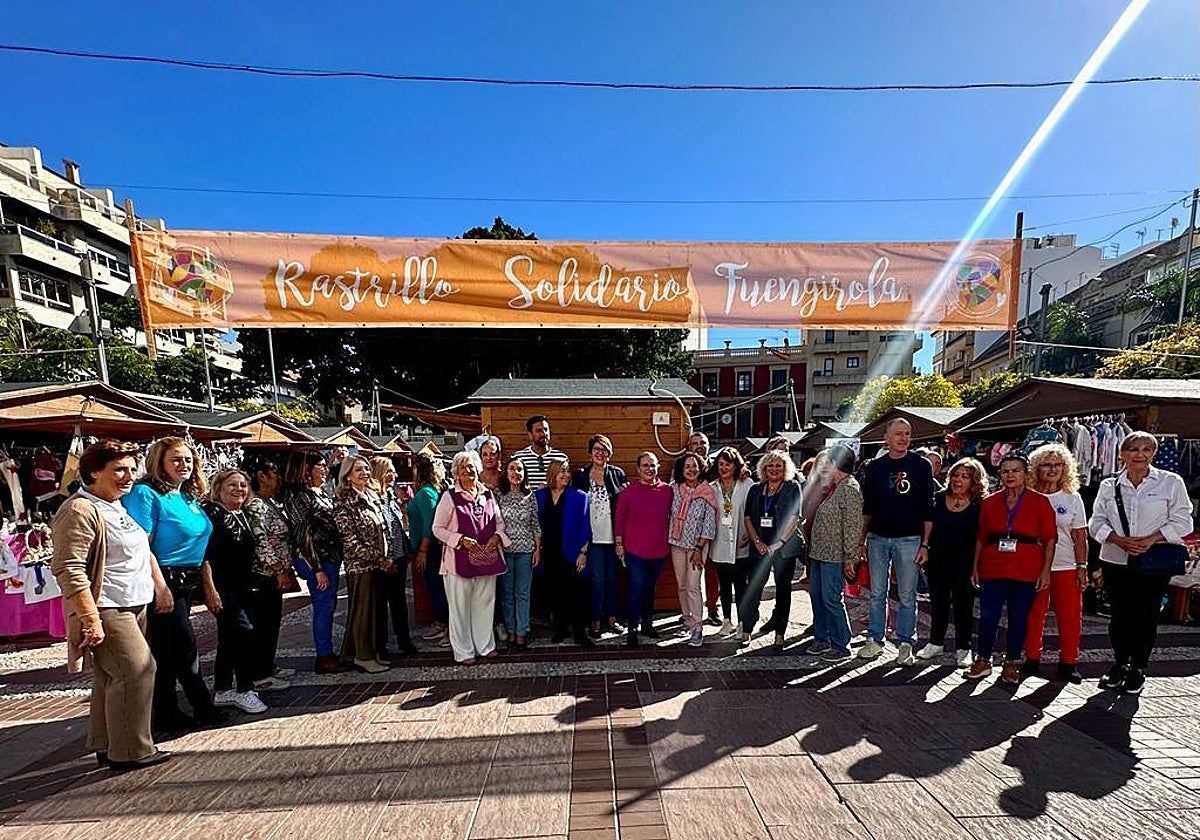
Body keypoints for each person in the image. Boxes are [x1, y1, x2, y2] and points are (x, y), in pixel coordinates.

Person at [51, 440, 173, 770]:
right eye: (119, 469)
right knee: (137, 671)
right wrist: (90, 619)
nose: (128, 476)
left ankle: (108, 746)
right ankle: (132, 751)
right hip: (107, 606)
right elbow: (68, 567)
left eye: (132, 469)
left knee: (111, 677)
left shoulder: (115, 505)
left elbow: (139, 550)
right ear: (93, 471)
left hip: (133, 602)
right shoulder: (79, 509)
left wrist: (159, 587)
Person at [122, 437, 226, 734]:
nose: (184, 465)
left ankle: (174, 712)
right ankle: (194, 708)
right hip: (164, 580)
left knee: (172, 651)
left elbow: (200, 546)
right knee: (181, 649)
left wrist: (208, 586)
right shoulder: (146, 494)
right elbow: (141, 545)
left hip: (188, 580)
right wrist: (160, 587)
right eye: (176, 459)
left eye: (188, 460)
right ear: (160, 462)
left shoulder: (187, 497)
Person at [1089, 431, 1192, 695]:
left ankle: (1138, 667)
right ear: (1122, 454)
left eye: (1146, 450)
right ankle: (1120, 663)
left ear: (1153, 454)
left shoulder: (1170, 482)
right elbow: (1096, 522)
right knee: (1120, 616)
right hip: (1116, 558)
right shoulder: (1109, 486)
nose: (1140, 455)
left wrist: (1152, 539)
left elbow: (1184, 521)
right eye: (1134, 449)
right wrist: (1117, 539)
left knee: (1146, 615)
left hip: (1153, 560)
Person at [964, 453, 1057, 684]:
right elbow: (981, 537)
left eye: (1015, 470)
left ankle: (1012, 663)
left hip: (1026, 567)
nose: (1010, 475)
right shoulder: (990, 502)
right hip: (993, 566)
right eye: (1005, 471)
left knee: (1019, 617)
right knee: (988, 615)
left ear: (1026, 475)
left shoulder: (1040, 502)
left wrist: (1046, 571)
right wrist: (974, 566)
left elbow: (1050, 539)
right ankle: (983, 660)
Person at [858, 418, 936, 666]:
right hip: (878, 538)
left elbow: (928, 507)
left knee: (906, 594)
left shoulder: (921, 466)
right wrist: (861, 539)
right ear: (887, 438)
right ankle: (875, 640)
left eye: (907, 434)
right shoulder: (875, 467)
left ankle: (905, 643)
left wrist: (925, 544)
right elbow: (868, 507)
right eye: (898, 434)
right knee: (877, 593)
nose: (903, 438)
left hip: (910, 539)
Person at [433, 451, 511, 663]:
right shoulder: (449, 496)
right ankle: (464, 652)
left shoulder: (488, 494)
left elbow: (500, 522)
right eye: (463, 467)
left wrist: (497, 536)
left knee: (485, 604)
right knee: (460, 608)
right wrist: (460, 539)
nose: (468, 470)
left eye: (471, 466)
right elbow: (437, 529)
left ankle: (485, 646)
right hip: (458, 562)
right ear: (456, 472)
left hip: (487, 558)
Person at [203, 469, 269, 714]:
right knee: (245, 634)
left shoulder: (240, 513)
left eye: (243, 485)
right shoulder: (212, 513)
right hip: (223, 586)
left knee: (229, 637)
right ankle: (244, 688)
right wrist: (209, 588)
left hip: (243, 586)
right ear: (218, 488)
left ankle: (222, 688)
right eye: (232, 484)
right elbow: (205, 555)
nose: (239, 489)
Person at [1023, 444, 1089, 683]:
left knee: (1070, 617)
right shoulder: (1026, 495)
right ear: (1035, 469)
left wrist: (1082, 567)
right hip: (1032, 567)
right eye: (1046, 465)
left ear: (1066, 468)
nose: (1052, 469)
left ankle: (1069, 663)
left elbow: (1080, 535)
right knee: (1033, 615)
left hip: (1066, 566)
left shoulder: (1072, 498)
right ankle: (1031, 659)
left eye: (1058, 464)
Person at [279, 451, 347, 674]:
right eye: (321, 466)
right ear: (307, 469)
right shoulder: (298, 495)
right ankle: (324, 656)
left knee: (328, 605)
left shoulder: (316, 492)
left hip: (330, 556)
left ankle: (327, 652)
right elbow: (302, 534)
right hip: (317, 559)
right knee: (324, 606)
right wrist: (316, 569)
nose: (325, 469)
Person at [916, 458, 986, 667]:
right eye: (956, 475)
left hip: (966, 563)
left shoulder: (980, 504)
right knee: (938, 605)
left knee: (964, 607)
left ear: (974, 481)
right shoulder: (938, 498)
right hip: (938, 560)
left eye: (965, 476)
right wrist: (925, 548)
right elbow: (927, 525)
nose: (958, 480)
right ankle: (935, 643)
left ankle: (963, 648)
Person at [333, 454, 392, 673]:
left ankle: (373, 651)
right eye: (358, 470)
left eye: (366, 469)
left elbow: (384, 528)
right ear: (347, 476)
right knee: (363, 612)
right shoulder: (343, 502)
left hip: (379, 564)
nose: (364, 473)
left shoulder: (372, 495)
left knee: (376, 611)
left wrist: (388, 556)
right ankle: (362, 655)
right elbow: (350, 539)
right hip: (360, 566)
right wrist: (378, 558)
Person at [804, 446, 862, 664]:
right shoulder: (835, 487)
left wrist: (850, 558)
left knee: (831, 599)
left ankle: (841, 644)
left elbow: (853, 526)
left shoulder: (849, 488)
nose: (824, 467)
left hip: (834, 556)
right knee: (818, 597)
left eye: (828, 462)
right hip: (819, 554)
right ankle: (822, 638)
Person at [740, 450, 803, 652]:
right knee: (754, 589)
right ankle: (747, 630)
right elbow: (748, 517)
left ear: (785, 468)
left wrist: (781, 541)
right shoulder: (756, 489)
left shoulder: (792, 488)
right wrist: (756, 541)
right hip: (759, 548)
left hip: (784, 549)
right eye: (770, 465)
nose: (774, 469)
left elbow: (796, 516)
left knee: (783, 590)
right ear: (763, 468)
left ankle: (780, 634)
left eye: (778, 465)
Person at [243, 455, 295, 691]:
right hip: (264, 575)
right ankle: (258, 673)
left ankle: (267, 665)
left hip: (275, 574)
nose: (279, 480)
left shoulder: (270, 502)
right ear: (261, 477)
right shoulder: (255, 505)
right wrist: (277, 570)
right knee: (262, 624)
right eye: (275, 475)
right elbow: (260, 540)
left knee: (272, 623)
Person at [615, 452, 673, 647]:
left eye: (653, 465)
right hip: (635, 550)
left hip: (659, 550)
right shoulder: (628, 492)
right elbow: (620, 519)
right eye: (645, 465)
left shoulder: (667, 490)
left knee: (649, 588)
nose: (649, 469)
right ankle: (632, 628)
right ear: (638, 469)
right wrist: (619, 543)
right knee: (637, 588)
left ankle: (647, 624)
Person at [572, 434, 627, 638]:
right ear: (590, 452)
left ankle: (612, 619)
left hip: (613, 538)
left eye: (604, 450)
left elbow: (623, 503)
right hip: (591, 539)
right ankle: (595, 621)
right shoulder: (580, 475)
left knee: (612, 579)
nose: (600, 453)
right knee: (596, 580)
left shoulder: (618, 474)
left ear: (609, 454)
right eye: (596, 449)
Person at [537, 459, 594, 647]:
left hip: (572, 553)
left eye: (568, 471)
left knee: (575, 594)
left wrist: (583, 553)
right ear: (552, 473)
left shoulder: (579, 497)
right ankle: (560, 629)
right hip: (549, 554)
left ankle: (580, 633)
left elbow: (586, 527)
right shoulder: (540, 496)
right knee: (555, 593)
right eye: (562, 471)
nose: (566, 475)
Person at [668, 453, 718, 648]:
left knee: (693, 586)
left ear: (701, 467)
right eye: (687, 466)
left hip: (697, 547)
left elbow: (709, 524)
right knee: (681, 585)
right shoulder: (674, 489)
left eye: (695, 466)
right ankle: (687, 620)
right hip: (677, 544)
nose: (691, 469)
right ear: (681, 470)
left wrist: (699, 547)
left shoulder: (707, 491)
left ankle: (698, 627)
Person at [372, 456, 417, 659]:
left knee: (399, 602)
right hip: (383, 561)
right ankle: (380, 646)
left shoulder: (390, 495)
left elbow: (397, 526)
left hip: (398, 557)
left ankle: (404, 640)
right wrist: (386, 558)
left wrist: (405, 551)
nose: (395, 476)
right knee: (380, 605)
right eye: (390, 471)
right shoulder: (373, 498)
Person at [497, 456, 541, 648]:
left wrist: (538, 549)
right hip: (505, 550)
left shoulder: (530, 496)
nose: (517, 473)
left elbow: (535, 524)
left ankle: (522, 631)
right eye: (513, 469)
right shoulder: (499, 495)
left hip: (525, 550)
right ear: (506, 473)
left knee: (522, 593)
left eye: (520, 470)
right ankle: (511, 630)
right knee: (506, 593)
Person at [707, 447, 753, 636]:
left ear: (736, 466)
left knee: (741, 586)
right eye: (720, 465)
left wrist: (750, 535)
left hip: (742, 542)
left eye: (728, 464)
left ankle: (743, 623)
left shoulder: (747, 484)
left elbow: (752, 514)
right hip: (720, 544)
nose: (724, 468)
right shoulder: (712, 487)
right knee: (724, 586)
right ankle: (727, 622)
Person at [409, 453, 450, 645]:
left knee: (435, 586)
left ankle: (443, 622)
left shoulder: (426, 493)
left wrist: (423, 551)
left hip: (430, 549)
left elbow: (429, 524)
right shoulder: (431, 490)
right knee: (434, 586)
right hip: (430, 547)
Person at [513, 415, 568, 489]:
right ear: (530, 434)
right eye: (539, 431)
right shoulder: (518, 458)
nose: (544, 434)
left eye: (545, 429)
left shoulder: (561, 457)